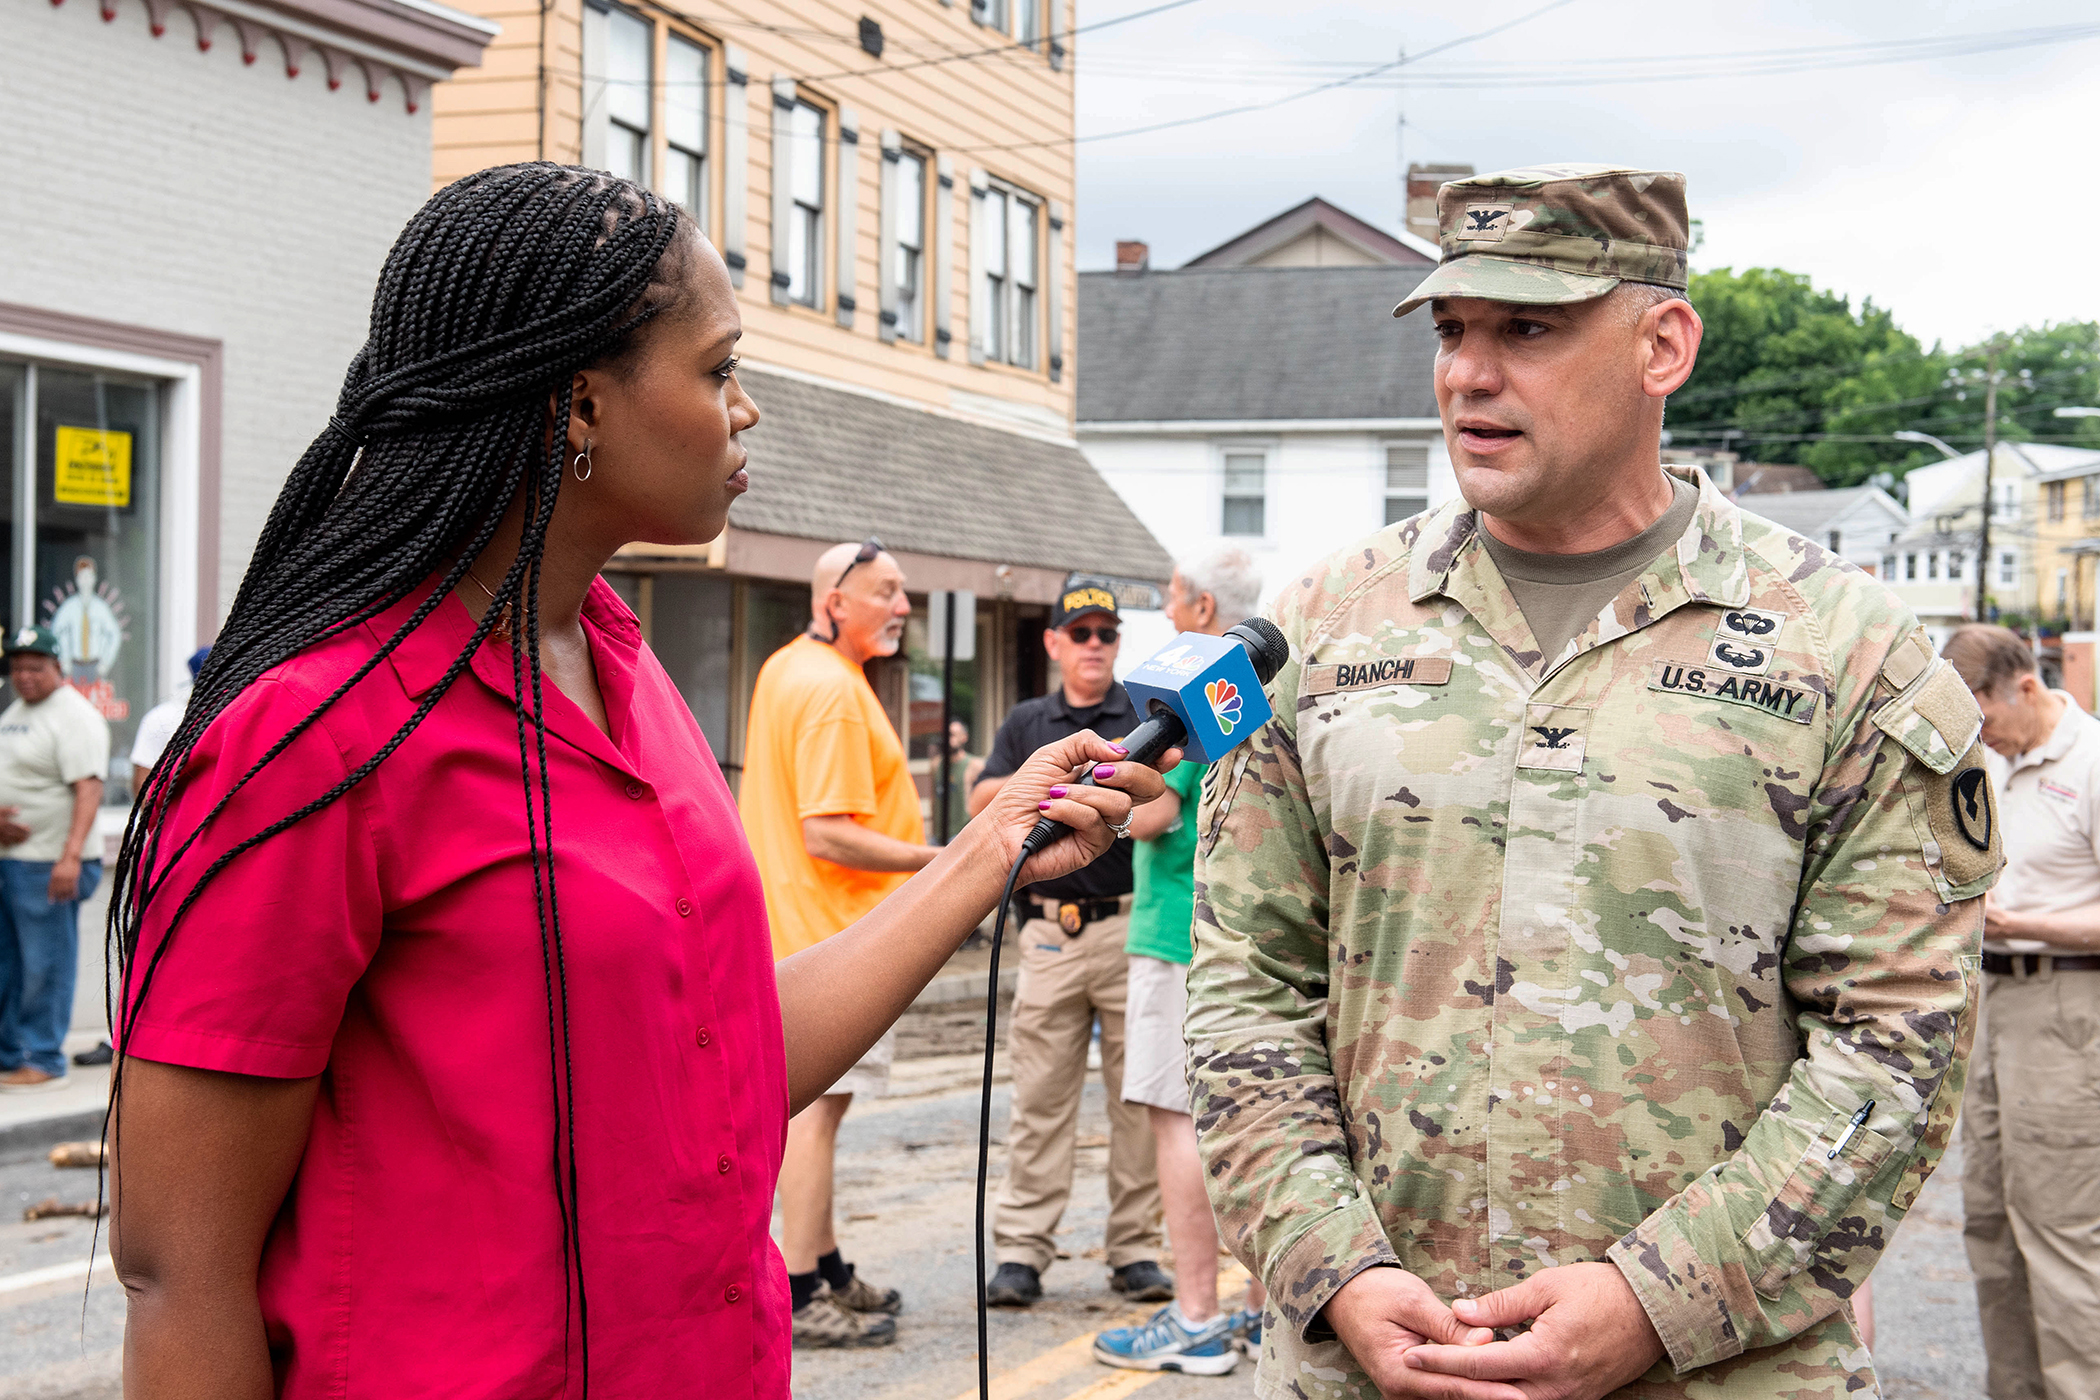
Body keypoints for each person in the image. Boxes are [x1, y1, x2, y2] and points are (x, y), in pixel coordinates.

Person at [105, 164, 1166, 1399]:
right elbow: (176, 1270)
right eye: (718, 370)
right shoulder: (316, 731)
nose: (746, 411)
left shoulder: (624, 664)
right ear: (580, 405)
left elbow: (732, 1068)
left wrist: (990, 853)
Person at [1186, 164, 1998, 1400]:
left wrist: (1660, 1299)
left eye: (1529, 328)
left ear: (1661, 342)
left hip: (1718, 1372)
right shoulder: (1316, 633)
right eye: (1453, 330)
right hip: (1376, 1365)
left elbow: (1899, 1044)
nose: (1468, 371)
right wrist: (1332, 1266)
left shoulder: (1845, 649)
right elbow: (1245, 990)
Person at [739, 537, 929, 1348]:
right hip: (831, 936)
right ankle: (804, 1286)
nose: (903, 607)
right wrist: (945, 862)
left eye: (903, 592)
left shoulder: (792, 668)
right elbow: (828, 833)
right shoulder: (831, 692)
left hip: (796, 930)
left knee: (820, 1115)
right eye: (886, 590)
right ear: (835, 600)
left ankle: (827, 1261)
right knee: (811, 1117)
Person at [969, 576, 1168, 1307]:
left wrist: (1076, 802)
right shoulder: (1028, 721)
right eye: (1079, 633)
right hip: (1049, 934)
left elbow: (1161, 809)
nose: (1093, 646)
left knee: (1135, 1101)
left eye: (1105, 634)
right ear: (1053, 641)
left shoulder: (1144, 716)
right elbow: (983, 798)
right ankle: (1021, 1251)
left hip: (1125, 927)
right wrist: (1068, 788)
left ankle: (1136, 1250)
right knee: (1040, 1099)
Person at [1094, 546, 1268, 1376]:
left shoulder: (1191, 696)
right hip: (1250, 932)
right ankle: (1265, 1313)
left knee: (1177, 1120)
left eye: (1170, 597)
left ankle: (1197, 1314)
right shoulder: (1255, 689)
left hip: (1173, 930)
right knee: (1260, 1116)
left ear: (1202, 607)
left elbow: (1162, 813)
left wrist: (1110, 790)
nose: (1165, 612)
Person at [1943, 624, 2100, 1400]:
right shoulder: (1993, 765)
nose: (1985, 740)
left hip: (2071, 1004)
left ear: (2026, 688)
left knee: (2061, 1233)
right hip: (1996, 1000)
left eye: (1987, 721)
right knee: (1991, 1227)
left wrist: (2026, 925)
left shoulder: (2093, 763)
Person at [0, 625, 109, 1092]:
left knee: (45, 964)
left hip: (50, 863)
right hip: (14, 858)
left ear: (58, 668)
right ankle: (10, 1054)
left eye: (35, 667)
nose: (25, 676)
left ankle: (43, 1059)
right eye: (17, 667)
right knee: (9, 964)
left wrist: (70, 858)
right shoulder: (18, 711)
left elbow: (89, 788)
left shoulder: (74, 716)